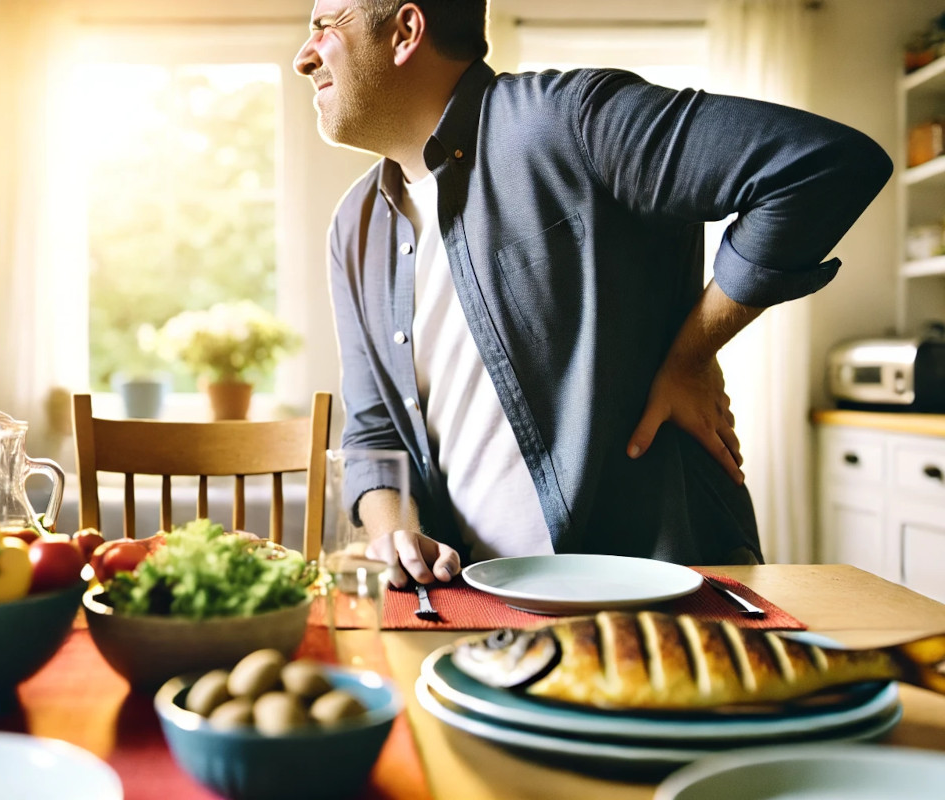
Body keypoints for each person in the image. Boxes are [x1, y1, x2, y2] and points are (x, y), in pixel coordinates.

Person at [293, 0, 892, 587]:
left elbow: (821, 166)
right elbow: (375, 431)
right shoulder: (355, 227)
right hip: (475, 607)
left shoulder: (572, 118)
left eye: (324, 26)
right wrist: (395, 534)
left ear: (405, 30)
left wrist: (689, 356)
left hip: (661, 587)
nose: (304, 56)